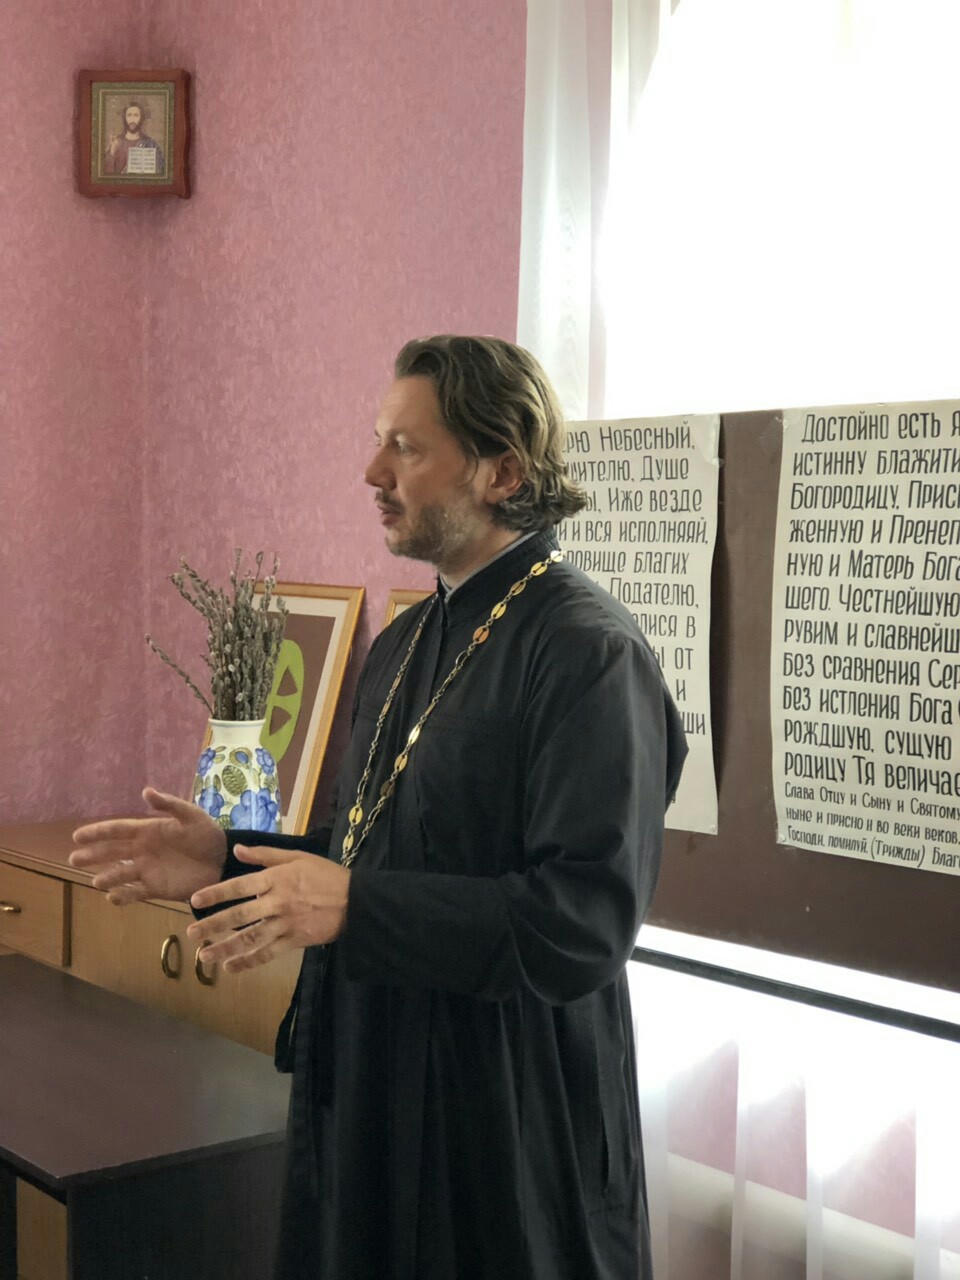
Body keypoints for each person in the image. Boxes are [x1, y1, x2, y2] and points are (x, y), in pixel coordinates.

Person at [71, 335, 687, 1280]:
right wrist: (226, 858)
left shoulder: (587, 653)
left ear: (502, 470)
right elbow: (371, 849)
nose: (372, 472)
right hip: (370, 1090)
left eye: (406, 447)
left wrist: (356, 906)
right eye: (378, 441)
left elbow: (583, 924)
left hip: (506, 1124)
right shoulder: (406, 642)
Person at [104, 102, 164, 176]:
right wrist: (112, 152)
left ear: (141, 118)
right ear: (124, 118)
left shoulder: (150, 144)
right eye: (129, 115)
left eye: (136, 115)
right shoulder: (116, 142)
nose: (132, 119)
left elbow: (160, 171)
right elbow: (106, 173)